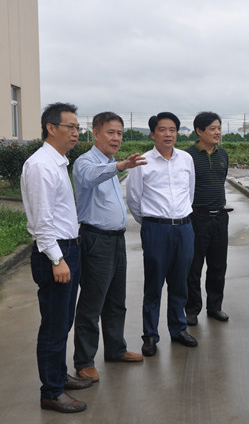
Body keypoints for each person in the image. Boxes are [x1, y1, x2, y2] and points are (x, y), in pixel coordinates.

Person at [21, 102, 92, 413]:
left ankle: (59, 377)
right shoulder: (41, 166)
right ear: (51, 128)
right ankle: (51, 392)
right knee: (53, 325)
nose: (76, 133)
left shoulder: (59, 162)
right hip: (56, 252)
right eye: (70, 127)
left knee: (63, 321)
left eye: (78, 127)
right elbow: (42, 220)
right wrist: (56, 258)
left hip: (68, 249)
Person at [72, 112, 148, 383]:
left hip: (116, 240)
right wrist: (119, 166)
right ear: (95, 133)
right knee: (92, 303)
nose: (116, 138)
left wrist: (116, 165)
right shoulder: (86, 162)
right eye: (110, 132)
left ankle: (116, 349)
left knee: (116, 300)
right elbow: (90, 178)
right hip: (96, 240)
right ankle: (84, 361)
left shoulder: (111, 162)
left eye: (119, 133)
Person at [126, 112, 197, 356]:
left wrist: (180, 217)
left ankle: (178, 329)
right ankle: (150, 335)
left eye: (172, 130)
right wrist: (151, 222)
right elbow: (134, 199)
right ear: (153, 134)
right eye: (162, 130)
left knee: (180, 283)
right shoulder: (143, 162)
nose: (168, 134)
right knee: (154, 284)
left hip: (184, 228)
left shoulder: (186, 159)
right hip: (156, 229)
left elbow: (190, 192)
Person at [184, 112, 231, 326]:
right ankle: (192, 309)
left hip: (220, 217)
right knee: (193, 267)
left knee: (218, 266)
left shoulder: (223, 155)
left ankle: (215, 307)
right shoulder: (188, 156)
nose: (217, 132)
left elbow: (222, 179)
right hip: (197, 218)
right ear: (199, 131)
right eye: (212, 128)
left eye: (219, 128)